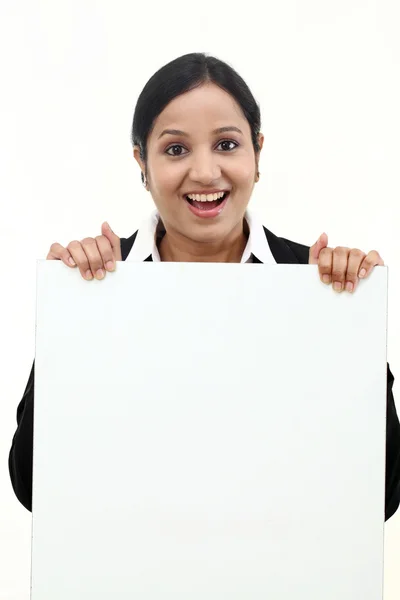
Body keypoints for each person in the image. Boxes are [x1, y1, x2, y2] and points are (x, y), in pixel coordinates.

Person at [9, 52, 400, 520]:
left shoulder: (314, 284)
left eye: (227, 145)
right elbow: (32, 484)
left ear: (257, 152)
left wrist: (352, 327)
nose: (205, 173)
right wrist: (66, 325)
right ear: (142, 164)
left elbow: (383, 495)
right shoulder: (95, 287)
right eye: (176, 150)